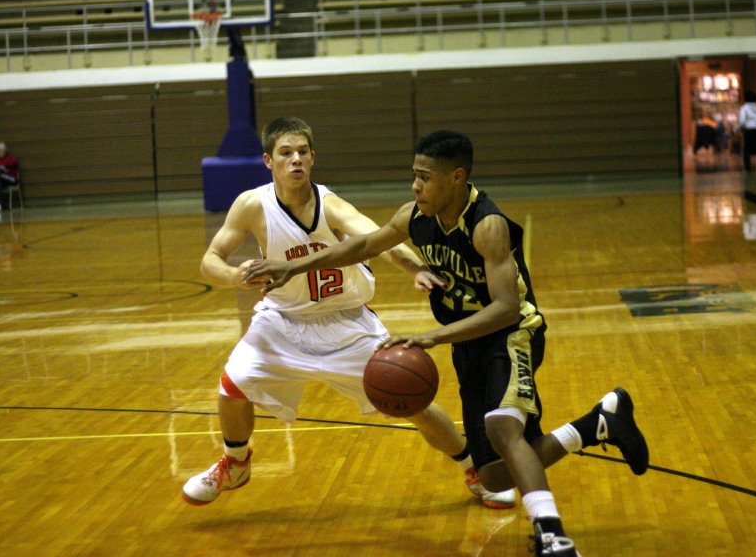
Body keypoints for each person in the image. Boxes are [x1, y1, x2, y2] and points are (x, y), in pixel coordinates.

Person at [245, 129, 650, 556]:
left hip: (511, 335)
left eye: (425, 177)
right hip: (468, 342)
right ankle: (598, 424)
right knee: (493, 476)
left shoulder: (487, 227)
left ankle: (552, 536)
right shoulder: (415, 217)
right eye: (414, 176)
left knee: (502, 426)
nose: (415, 186)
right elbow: (363, 244)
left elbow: (507, 308)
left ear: (457, 178)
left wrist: (432, 336)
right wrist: (293, 267)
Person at [180, 117, 516, 510]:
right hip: (282, 321)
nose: (296, 160)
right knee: (232, 386)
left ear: (313, 157)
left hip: (346, 323)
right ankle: (235, 464)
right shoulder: (252, 205)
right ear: (269, 161)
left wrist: (415, 268)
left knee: (413, 400)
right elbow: (210, 261)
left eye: (303, 152)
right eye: (286, 153)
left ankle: (475, 470)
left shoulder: (329, 204)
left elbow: (377, 238)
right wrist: (234, 276)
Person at [738, 91, 756, 171]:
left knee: (747, 150)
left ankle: (748, 167)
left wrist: (739, 128)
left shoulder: (744, 108)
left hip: (748, 130)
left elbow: (742, 120)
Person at [0, 141, 20, 213]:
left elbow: (14, 163)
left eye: (1, 150)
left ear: (5, 150)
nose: (0, 152)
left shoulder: (11, 158)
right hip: (1, 180)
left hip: (12, 179)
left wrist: (3, 167)